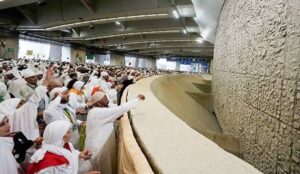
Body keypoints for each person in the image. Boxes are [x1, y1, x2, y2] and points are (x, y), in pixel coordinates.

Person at [83, 91, 145, 174]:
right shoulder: (98, 112)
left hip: (101, 145)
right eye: (105, 99)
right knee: (101, 169)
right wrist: (137, 99)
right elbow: (120, 109)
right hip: (99, 147)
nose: (107, 100)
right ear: (98, 102)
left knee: (105, 166)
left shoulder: (97, 110)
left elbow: (106, 119)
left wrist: (115, 117)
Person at [27, 120, 97, 174]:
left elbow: (72, 153)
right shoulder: (48, 162)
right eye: (68, 132)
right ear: (59, 136)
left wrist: (80, 154)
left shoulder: (64, 145)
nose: (71, 135)